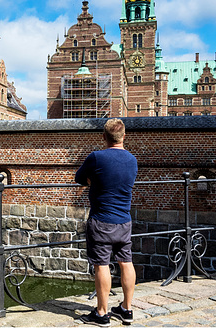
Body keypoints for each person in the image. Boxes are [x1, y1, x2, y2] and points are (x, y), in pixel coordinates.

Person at [75, 118, 138, 326]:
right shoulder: (132, 159)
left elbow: (79, 177)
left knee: (102, 265)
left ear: (104, 137)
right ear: (124, 136)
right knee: (126, 262)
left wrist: (92, 180)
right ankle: (127, 309)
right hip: (124, 221)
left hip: (102, 220)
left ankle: (102, 313)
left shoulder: (96, 157)